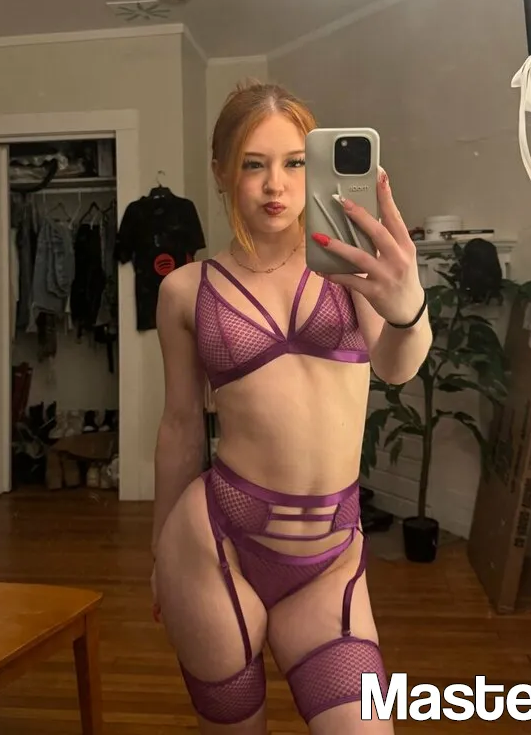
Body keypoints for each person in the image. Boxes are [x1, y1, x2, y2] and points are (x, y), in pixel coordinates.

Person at [150, 80, 432, 734]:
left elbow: (396, 365)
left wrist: (408, 306)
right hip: (215, 542)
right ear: (222, 172)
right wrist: (159, 550)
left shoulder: (350, 268)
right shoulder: (186, 290)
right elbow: (180, 425)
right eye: (253, 164)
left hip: (330, 558)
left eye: (294, 163)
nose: (275, 184)